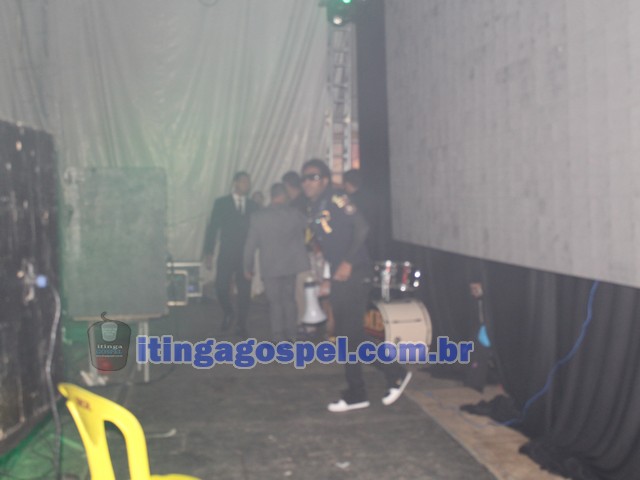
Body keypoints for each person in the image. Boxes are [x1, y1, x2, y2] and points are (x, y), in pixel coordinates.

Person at [301, 158, 412, 413]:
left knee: (349, 336)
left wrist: (348, 262)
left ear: (325, 180)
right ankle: (378, 381)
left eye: (313, 177)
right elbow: (329, 246)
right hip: (340, 274)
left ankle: (371, 384)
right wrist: (328, 276)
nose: (307, 182)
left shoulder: (336, 198)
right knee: (347, 335)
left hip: (355, 270)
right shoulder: (315, 207)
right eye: (304, 178)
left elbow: (362, 227)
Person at [243, 183, 309, 342]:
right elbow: (308, 227)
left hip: (270, 267)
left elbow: (250, 245)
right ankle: (292, 335)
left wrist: (247, 267)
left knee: (275, 303)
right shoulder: (294, 214)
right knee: (289, 301)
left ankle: (278, 337)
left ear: (272, 196)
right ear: (284, 196)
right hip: (290, 266)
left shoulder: (258, 217)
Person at [202, 171, 258, 336]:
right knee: (220, 286)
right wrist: (209, 251)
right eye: (243, 181)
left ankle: (241, 324)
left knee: (244, 290)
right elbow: (213, 228)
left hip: (245, 254)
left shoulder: (253, 205)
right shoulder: (222, 203)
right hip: (227, 251)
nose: (247, 184)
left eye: (248, 182)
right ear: (235, 183)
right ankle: (228, 311)